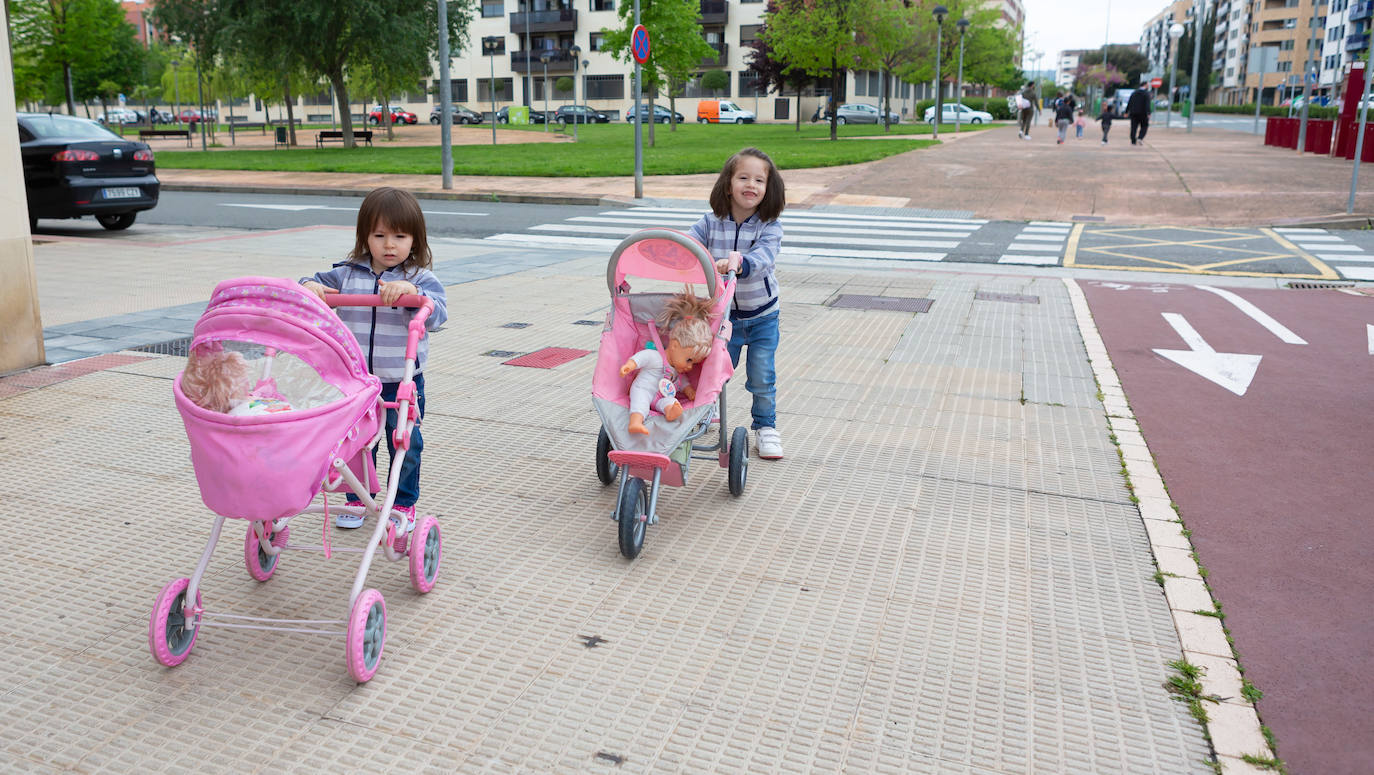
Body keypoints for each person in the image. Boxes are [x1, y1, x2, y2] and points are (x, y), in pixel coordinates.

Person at [300, 187, 450, 529]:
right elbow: (308, 283)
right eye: (379, 235)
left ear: (415, 240)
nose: (389, 245)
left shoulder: (420, 279)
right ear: (365, 237)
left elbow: (439, 314)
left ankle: (403, 504)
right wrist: (312, 287)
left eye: (399, 236)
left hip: (402, 380)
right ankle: (356, 500)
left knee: (406, 445)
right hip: (354, 381)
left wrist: (415, 295)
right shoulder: (347, 273)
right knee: (355, 445)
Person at [688, 147, 786, 460]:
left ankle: (765, 427)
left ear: (768, 189)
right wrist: (676, 248)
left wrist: (740, 263)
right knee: (713, 370)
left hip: (762, 317)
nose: (751, 185)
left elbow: (764, 259)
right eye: (743, 177)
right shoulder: (710, 222)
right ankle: (708, 409)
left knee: (761, 376)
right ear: (728, 183)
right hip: (723, 316)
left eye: (759, 180)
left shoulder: (769, 225)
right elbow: (689, 242)